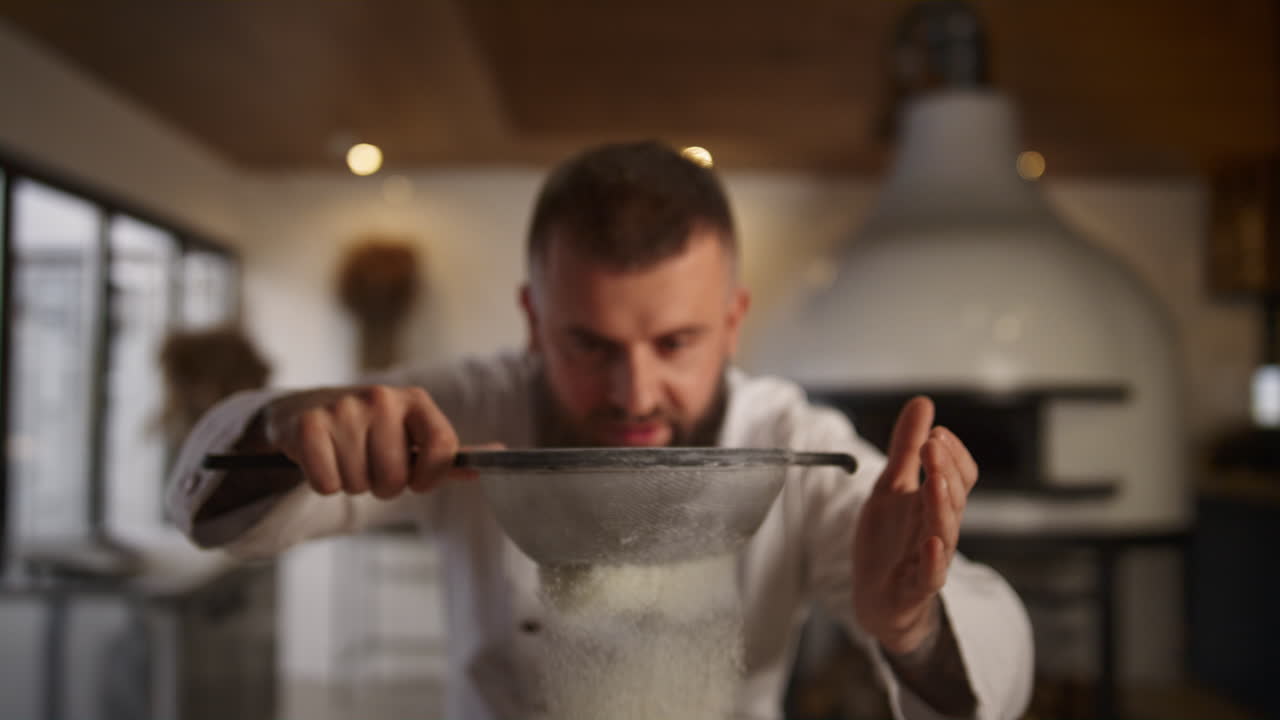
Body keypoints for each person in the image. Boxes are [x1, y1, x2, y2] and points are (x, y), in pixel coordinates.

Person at [166, 141, 1033, 720]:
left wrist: (912, 623)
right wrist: (290, 424)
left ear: (732, 323)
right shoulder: (466, 408)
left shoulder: (794, 440)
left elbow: (997, 650)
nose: (633, 392)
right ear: (533, 320)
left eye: (676, 342)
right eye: (589, 343)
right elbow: (208, 512)